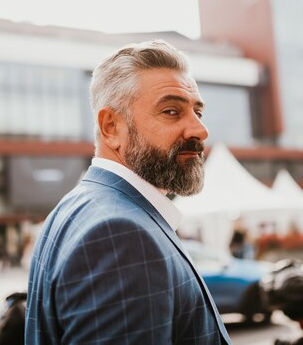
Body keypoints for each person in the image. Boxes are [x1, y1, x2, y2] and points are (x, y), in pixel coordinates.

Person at [26, 40, 231, 344]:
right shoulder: (121, 235)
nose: (200, 130)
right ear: (111, 127)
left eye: (197, 111)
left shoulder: (77, 207)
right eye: (172, 111)